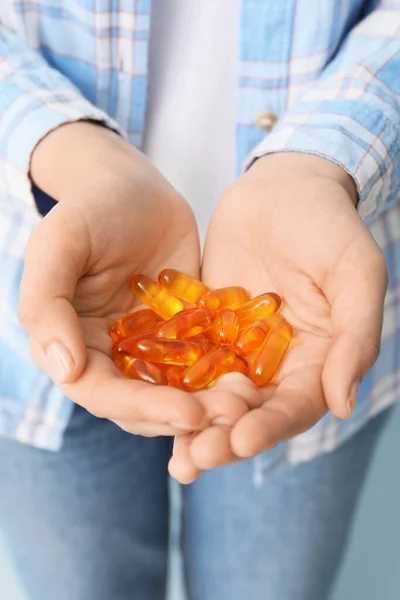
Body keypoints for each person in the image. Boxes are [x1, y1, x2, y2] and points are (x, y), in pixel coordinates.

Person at [0, 1, 399, 599]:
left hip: (316, 289)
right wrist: (69, 150)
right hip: (55, 277)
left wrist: (320, 164)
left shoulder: (243, 326)